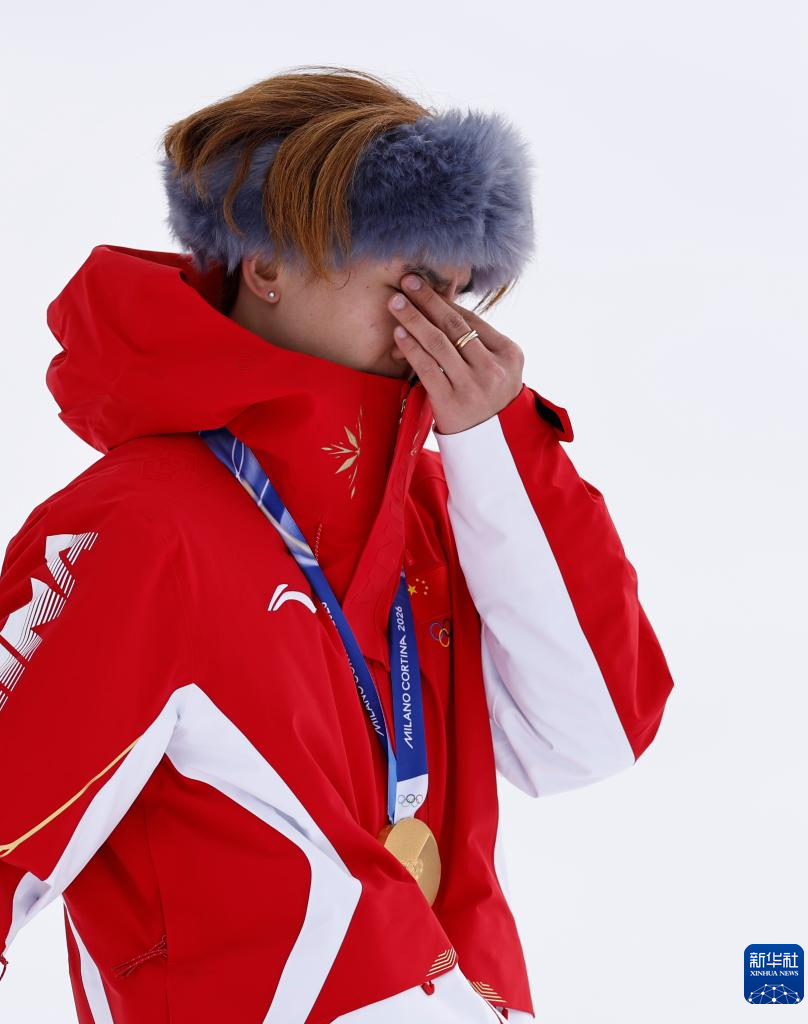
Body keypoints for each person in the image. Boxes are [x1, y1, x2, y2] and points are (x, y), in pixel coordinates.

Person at [0, 65, 675, 1023]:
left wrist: (503, 443)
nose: (439, 317)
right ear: (267, 266)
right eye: (410, 277)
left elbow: (589, 737)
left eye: (457, 288)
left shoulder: (445, 509)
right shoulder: (140, 525)